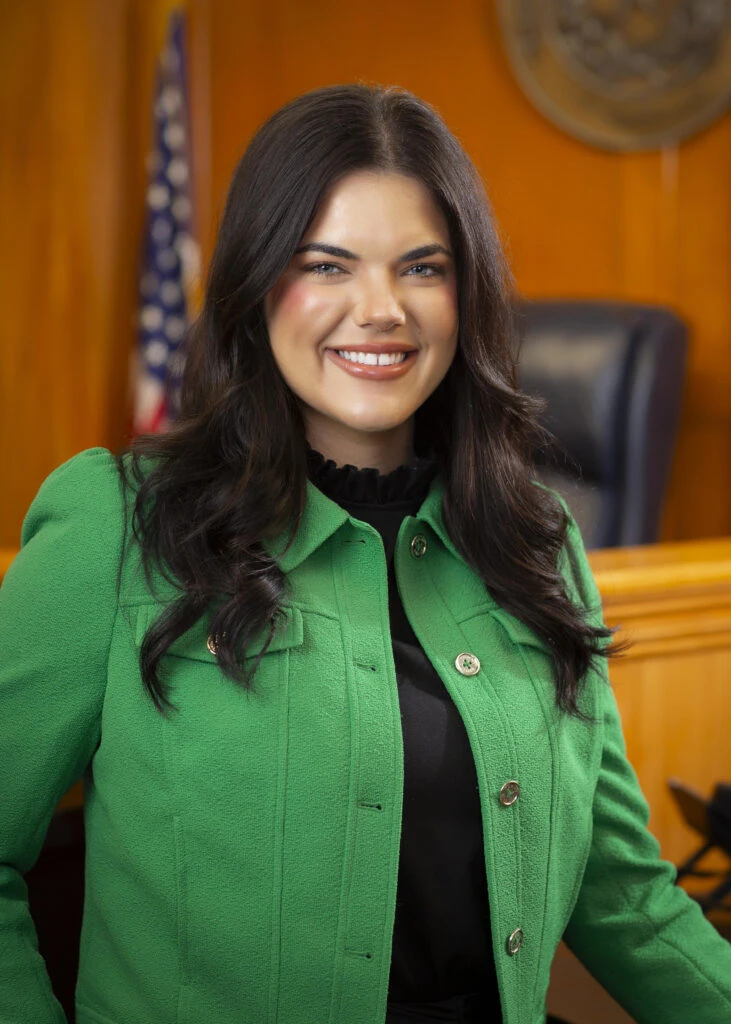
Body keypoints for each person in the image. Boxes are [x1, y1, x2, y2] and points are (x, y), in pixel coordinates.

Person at [0, 83, 729, 1024]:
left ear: (465, 295)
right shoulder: (118, 524)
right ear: (259, 285)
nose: (380, 309)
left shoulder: (534, 539)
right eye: (327, 265)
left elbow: (620, 890)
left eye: (422, 268)